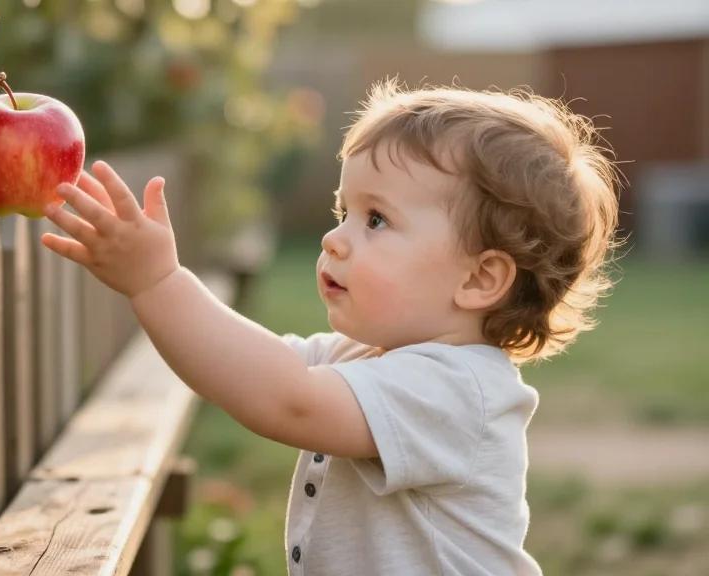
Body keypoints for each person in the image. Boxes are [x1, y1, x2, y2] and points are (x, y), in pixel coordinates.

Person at [40, 78, 621, 575]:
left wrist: (158, 282)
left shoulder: (457, 391)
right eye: (344, 212)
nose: (333, 238)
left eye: (376, 219)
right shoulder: (362, 355)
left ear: (479, 278)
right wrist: (155, 287)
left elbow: (285, 399)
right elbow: (255, 365)